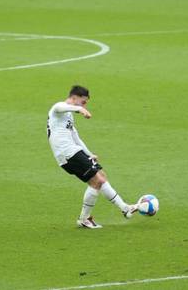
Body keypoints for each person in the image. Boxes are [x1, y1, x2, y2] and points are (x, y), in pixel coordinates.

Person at [47, 85, 137, 229]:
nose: (84, 105)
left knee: (101, 176)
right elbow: (60, 107)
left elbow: (75, 136)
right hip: (67, 154)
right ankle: (84, 219)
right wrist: (80, 109)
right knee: (97, 181)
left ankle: (125, 208)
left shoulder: (68, 115)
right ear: (74, 97)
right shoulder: (58, 108)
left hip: (74, 150)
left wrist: (89, 154)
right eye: (83, 102)